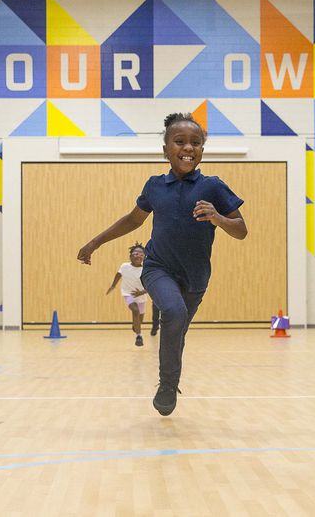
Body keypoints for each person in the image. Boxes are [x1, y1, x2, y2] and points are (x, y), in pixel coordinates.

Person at [78, 112, 247, 416]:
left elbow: (241, 230)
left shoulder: (213, 187)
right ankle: (168, 384)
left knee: (176, 328)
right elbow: (133, 219)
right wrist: (95, 242)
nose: (188, 147)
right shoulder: (155, 186)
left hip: (196, 277)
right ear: (166, 149)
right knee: (173, 311)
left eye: (195, 143)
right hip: (157, 268)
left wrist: (218, 218)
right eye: (179, 141)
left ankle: (170, 379)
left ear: (202, 151)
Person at [106, 243, 148, 347]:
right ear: (130, 256)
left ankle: (136, 326)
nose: (138, 255)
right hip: (128, 294)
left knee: (140, 319)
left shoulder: (146, 269)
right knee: (135, 310)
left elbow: (150, 286)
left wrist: (141, 292)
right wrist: (113, 286)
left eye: (141, 254)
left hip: (141, 296)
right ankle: (139, 336)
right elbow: (118, 275)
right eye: (136, 253)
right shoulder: (125, 266)